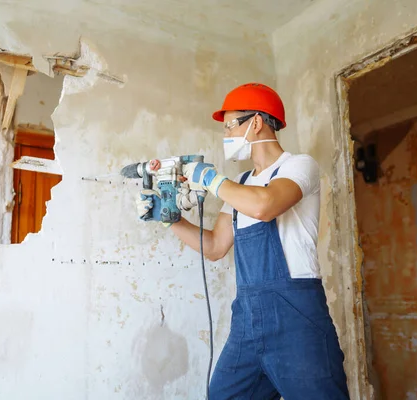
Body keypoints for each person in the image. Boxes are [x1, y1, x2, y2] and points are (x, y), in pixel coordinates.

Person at [136, 83, 349, 399]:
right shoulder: (241, 184)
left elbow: (265, 206)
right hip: (247, 321)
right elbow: (214, 247)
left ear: (257, 122)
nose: (226, 136)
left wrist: (209, 179)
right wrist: (170, 219)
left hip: (296, 319)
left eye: (230, 126)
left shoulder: (299, 166)